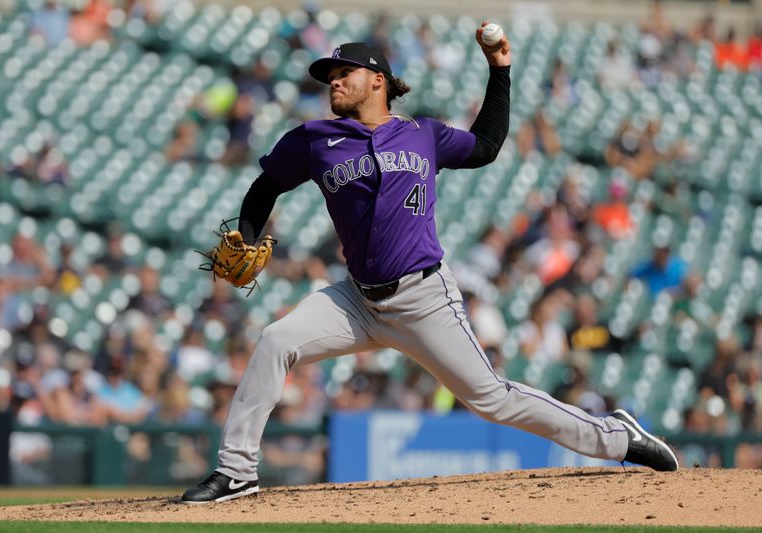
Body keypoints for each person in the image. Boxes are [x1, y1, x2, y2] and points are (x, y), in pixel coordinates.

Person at [182, 22, 678, 504]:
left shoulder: (423, 134)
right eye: (328, 75)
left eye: (343, 71)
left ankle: (617, 437)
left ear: (377, 79)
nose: (333, 80)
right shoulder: (314, 140)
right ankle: (236, 471)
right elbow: (266, 184)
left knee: (493, 399)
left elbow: (485, 147)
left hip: (424, 298)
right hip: (356, 300)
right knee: (275, 341)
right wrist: (247, 234)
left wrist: (499, 70)